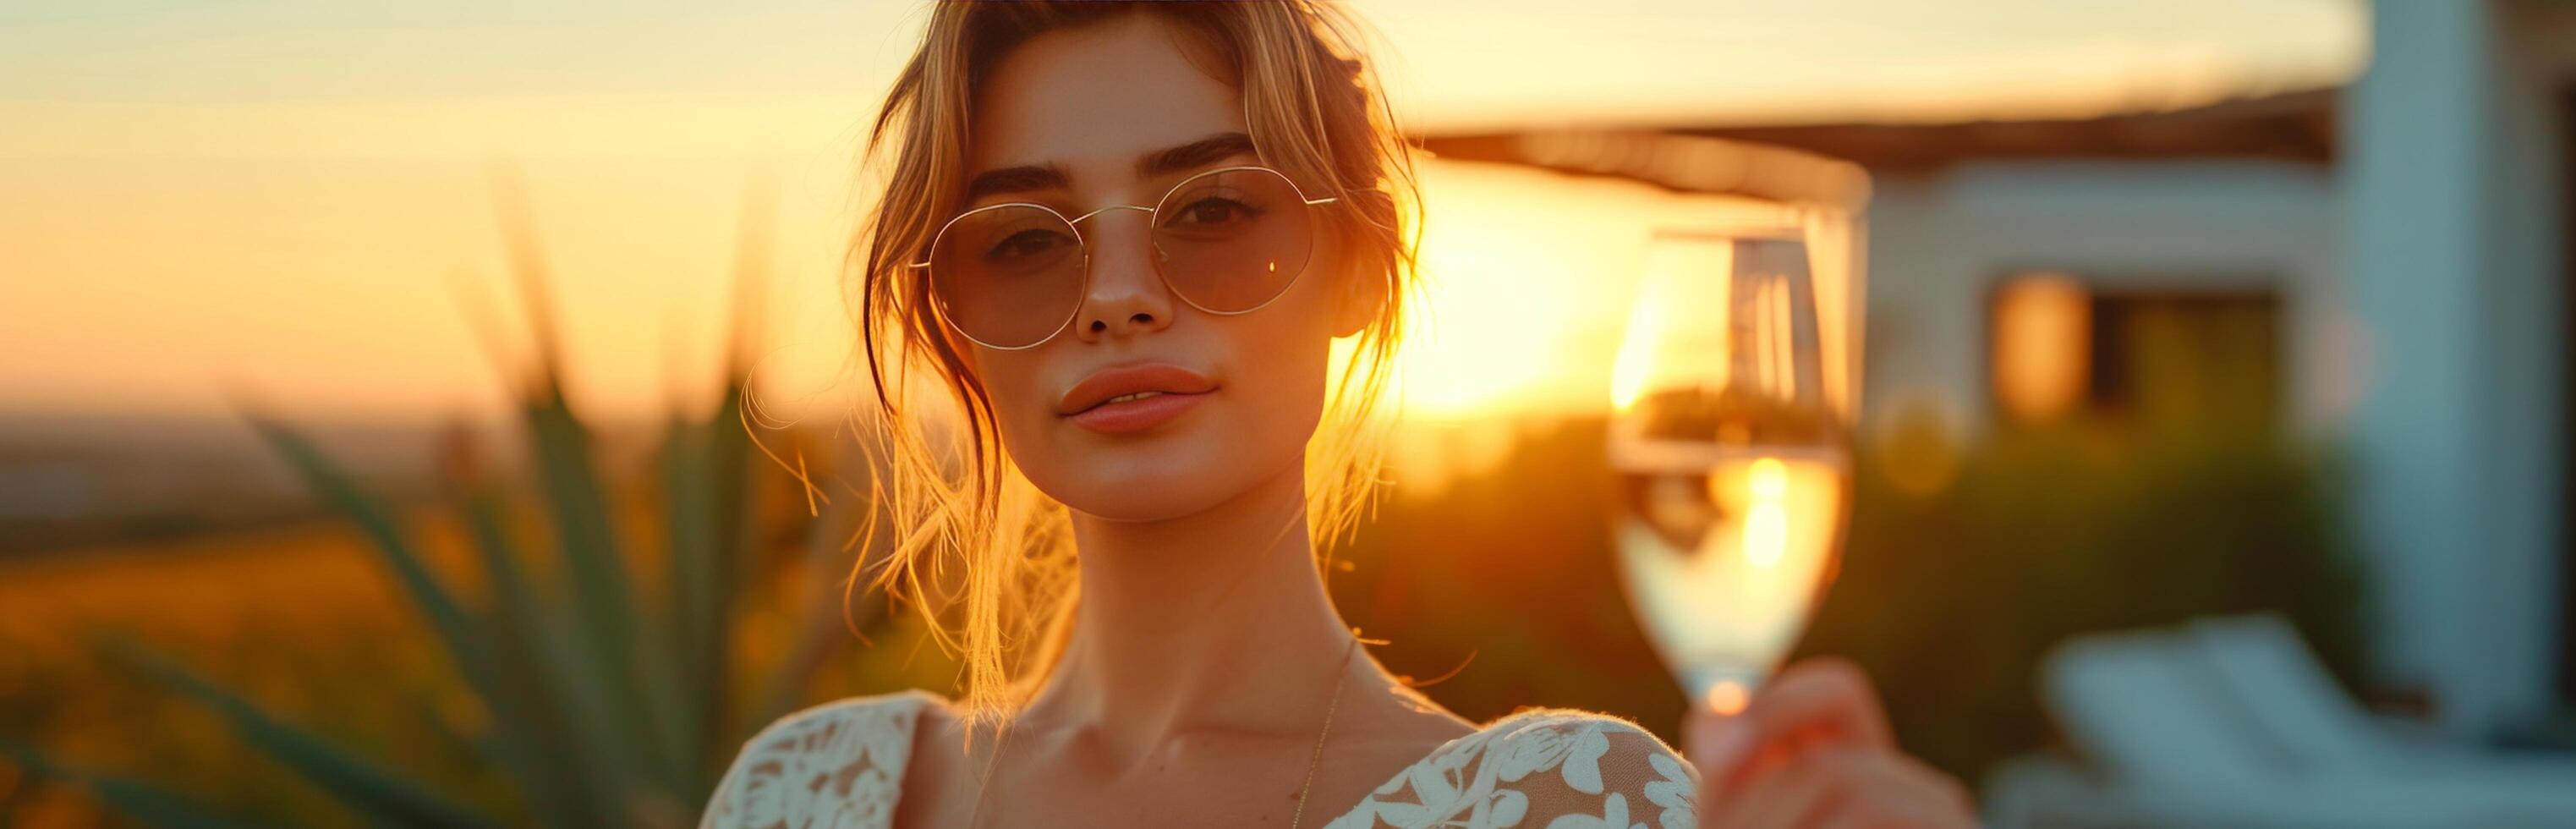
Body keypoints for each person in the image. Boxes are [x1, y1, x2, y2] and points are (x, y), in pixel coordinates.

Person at [700, 3, 1972, 826]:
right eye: (1024, 241)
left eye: (1212, 211)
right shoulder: (806, 797)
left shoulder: (1568, 810)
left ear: (1358, 264)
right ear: (950, 327)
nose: (1120, 297)